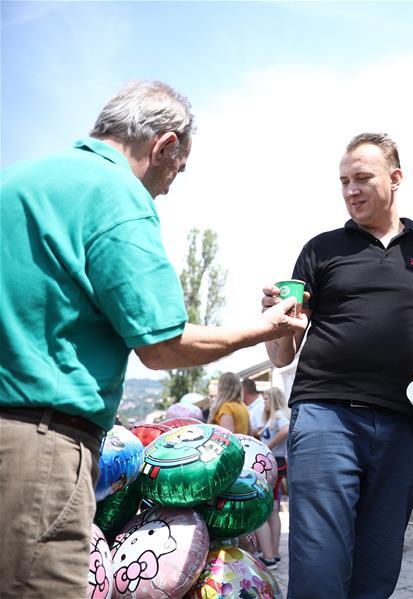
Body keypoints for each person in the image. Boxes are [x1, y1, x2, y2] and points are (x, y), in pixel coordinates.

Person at [0, 80, 307, 596]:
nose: (166, 188)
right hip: (38, 443)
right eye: (176, 171)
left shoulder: (19, 181)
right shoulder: (115, 192)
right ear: (163, 146)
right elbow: (163, 345)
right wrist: (268, 327)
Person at [262, 132, 413, 598]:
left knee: (378, 571)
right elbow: (283, 354)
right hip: (325, 417)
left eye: (362, 178)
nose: (351, 190)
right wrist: (274, 323)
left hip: (401, 425)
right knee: (320, 570)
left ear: (395, 178)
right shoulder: (321, 249)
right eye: (344, 181)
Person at [254, 386, 290, 568]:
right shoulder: (272, 417)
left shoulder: (278, 416)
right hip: (275, 461)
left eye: (266, 399)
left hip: (273, 462)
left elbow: (286, 430)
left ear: (273, 399)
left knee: (266, 509)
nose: (264, 403)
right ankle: (273, 553)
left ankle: (269, 556)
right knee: (273, 509)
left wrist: (267, 447)